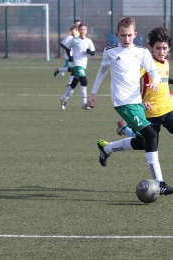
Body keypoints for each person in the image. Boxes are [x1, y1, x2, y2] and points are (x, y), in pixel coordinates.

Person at [87, 17, 173, 195]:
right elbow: (102, 70)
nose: (126, 39)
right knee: (150, 135)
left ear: (135, 35)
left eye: (129, 36)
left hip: (137, 103)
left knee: (143, 142)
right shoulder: (110, 51)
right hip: (123, 103)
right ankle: (160, 182)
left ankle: (107, 148)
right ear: (117, 35)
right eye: (123, 36)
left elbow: (153, 72)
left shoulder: (141, 52)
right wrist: (93, 92)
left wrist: (156, 82)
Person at [117, 27, 173, 148]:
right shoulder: (146, 64)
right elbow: (131, 83)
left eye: (164, 48)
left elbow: (163, 79)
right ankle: (125, 130)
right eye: (158, 48)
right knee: (144, 144)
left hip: (168, 110)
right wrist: (140, 102)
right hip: (150, 114)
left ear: (169, 48)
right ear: (151, 48)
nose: (161, 52)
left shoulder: (166, 62)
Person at [59, 23, 95, 110]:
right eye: (81, 29)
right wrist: (70, 57)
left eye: (84, 29)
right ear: (78, 30)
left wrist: (89, 51)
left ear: (86, 31)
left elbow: (93, 53)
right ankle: (84, 103)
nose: (82, 31)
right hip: (76, 64)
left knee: (74, 84)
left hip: (83, 65)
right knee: (84, 81)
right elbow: (67, 48)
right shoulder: (74, 40)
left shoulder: (89, 41)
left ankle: (63, 99)